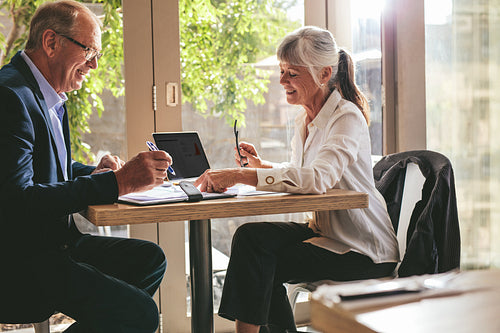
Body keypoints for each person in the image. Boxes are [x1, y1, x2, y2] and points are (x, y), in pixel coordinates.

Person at [194, 26, 399, 333]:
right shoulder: (305, 120)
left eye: (291, 73)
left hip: (360, 250)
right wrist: (262, 165)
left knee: (261, 259)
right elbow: (304, 172)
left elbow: (317, 178)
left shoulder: (347, 117)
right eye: (281, 71)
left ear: (324, 73)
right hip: (323, 235)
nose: (282, 81)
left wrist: (241, 174)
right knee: (252, 240)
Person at [0, 1, 170, 332]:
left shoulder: (47, 95)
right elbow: (17, 199)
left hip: (54, 244)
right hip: (22, 261)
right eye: (89, 51)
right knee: (141, 314)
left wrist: (91, 172)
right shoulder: (10, 96)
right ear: (51, 43)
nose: (93, 65)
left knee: (150, 261)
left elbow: (44, 171)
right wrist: (117, 183)